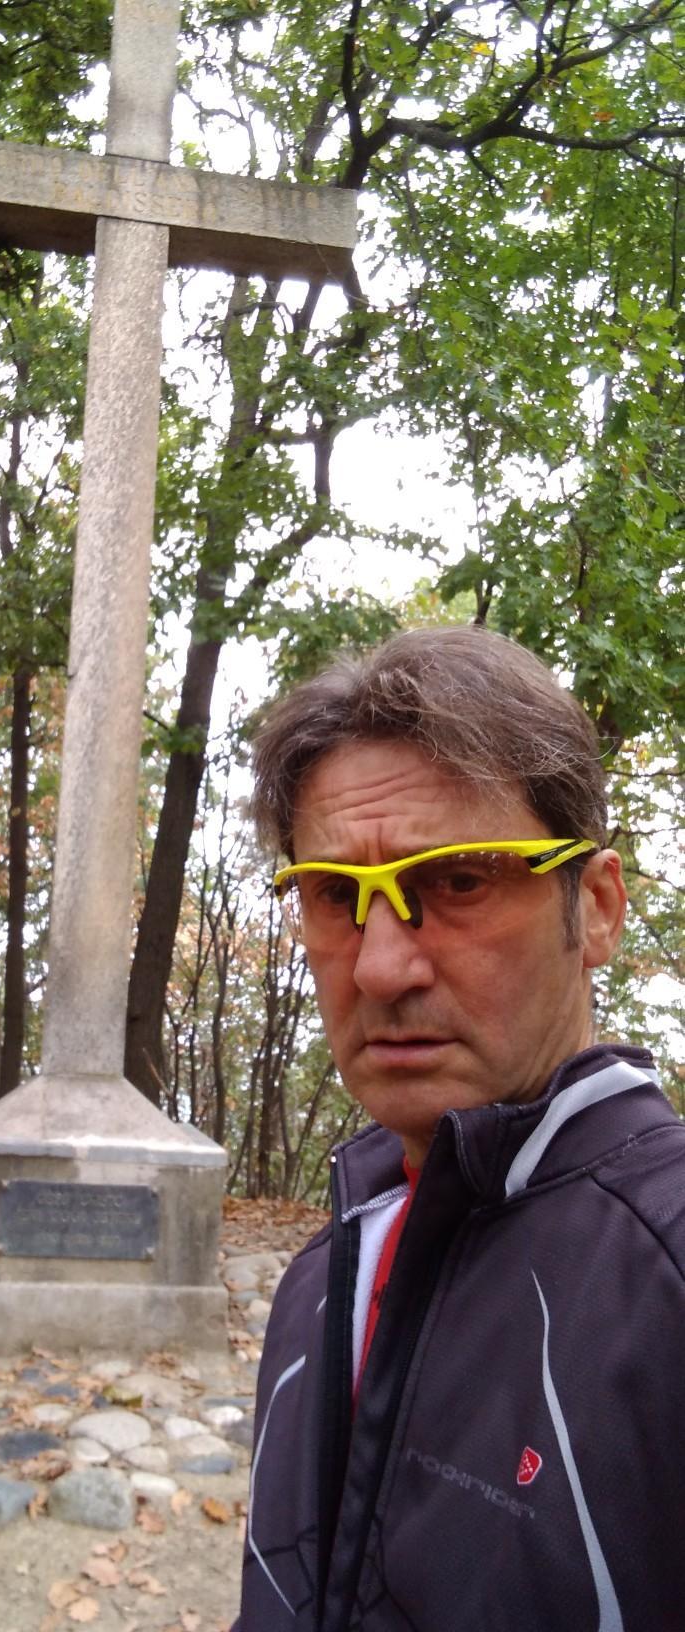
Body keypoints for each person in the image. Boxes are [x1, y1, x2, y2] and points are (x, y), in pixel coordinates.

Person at [234, 625, 685, 1632]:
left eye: (459, 882)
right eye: (334, 895)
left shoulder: (666, 1275)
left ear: (596, 907)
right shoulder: (320, 1280)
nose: (381, 968)